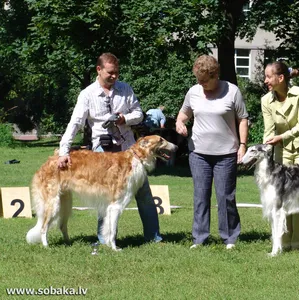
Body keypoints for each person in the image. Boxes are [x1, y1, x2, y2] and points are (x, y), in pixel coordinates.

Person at [57, 52, 162, 244]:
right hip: (102, 151)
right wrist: (64, 151)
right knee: (104, 197)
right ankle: (105, 239)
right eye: (110, 73)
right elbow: (75, 123)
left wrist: (125, 119)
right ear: (99, 70)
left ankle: (154, 237)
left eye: (117, 73)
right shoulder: (87, 94)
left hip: (129, 150)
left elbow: (139, 114)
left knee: (144, 193)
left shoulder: (125, 89)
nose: (114, 76)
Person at [175, 55, 249, 250]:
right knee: (201, 195)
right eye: (198, 80)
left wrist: (242, 145)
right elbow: (184, 113)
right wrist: (179, 122)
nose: (201, 84)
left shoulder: (232, 91)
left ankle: (230, 238)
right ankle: (199, 238)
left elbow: (243, 118)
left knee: (226, 196)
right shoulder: (194, 92)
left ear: (215, 75)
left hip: (226, 153)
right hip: (198, 152)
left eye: (204, 80)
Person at [262, 61, 299, 251]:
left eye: (268, 77)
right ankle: (283, 241)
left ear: (281, 78)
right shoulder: (266, 100)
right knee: (281, 196)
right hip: (281, 149)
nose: (265, 80)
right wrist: (264, 151)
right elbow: (268, 131)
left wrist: (280, 137)